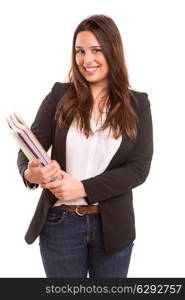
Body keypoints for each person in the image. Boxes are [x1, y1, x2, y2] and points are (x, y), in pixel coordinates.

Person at [17, 14, 153, 278]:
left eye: (96, 50)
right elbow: (27, 149)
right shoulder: (59, 95)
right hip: (60, 225)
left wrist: (81, 187)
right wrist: (30, 173)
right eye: (80, 51)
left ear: (113, 51)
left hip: (113, 226)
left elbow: (138, 169)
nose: (86, 60)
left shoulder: (138, 104)